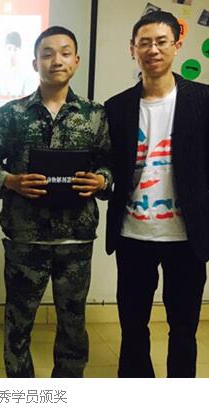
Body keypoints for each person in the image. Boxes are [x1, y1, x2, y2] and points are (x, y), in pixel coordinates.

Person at [0, 26, 112, 377]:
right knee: (18, 323)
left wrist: (101, 180)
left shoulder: (95, 114)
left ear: (77, 61)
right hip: (26, 238)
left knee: (73, 325)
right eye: (48, 53)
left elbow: (109, 164)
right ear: (35, 62)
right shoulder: (11, 114)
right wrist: (10, 180)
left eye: (65, 53)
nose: (57, 60)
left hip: (75, 239)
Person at [105, 11, 208, 378]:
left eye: (161, 42)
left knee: (183, 329)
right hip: (133, 234)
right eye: (144, 43)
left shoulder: (203, 100)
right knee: (133, 328)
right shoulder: (116, 107)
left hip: (186, 237)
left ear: (177, 46)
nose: (153, 50)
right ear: (132, 49)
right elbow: (107, 167)